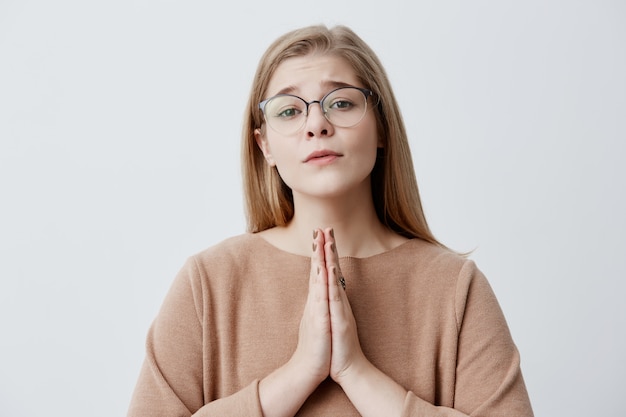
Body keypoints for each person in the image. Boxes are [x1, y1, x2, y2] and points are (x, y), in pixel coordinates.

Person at [127, 24, 534, 417]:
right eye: (288, 110)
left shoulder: (456, 288)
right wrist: (299, 373)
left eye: (341, 102)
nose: (316, 124)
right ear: (264, 145)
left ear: (381, 127)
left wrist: (355, 372)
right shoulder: (208, 282)